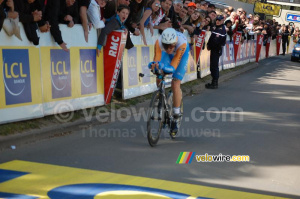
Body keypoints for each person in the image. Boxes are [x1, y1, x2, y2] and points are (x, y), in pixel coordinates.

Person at [148, 28, 190, 135]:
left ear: (175, 43)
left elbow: (173, 67)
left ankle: (176, 115)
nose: (169, 48)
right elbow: (157, 60)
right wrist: (155, 66)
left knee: (175, 83)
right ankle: (160, 97)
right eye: (166, 46)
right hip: (167, 57)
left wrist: (163, 67)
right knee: (159, 75)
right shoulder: (158, 42)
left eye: (171, 46)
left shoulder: (181, 44)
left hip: (181, 56)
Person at [205, 15, 226, 89]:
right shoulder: (218, 27)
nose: (217, 21)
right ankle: (214, 82)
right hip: (216, 49)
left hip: (216, 49)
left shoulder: (220, 29)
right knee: (214, 66)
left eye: (219, 20)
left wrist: (209, 45)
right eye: (217, 20)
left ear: (222, 21)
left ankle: (214, 83)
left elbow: (215, 41)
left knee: (214, 66)